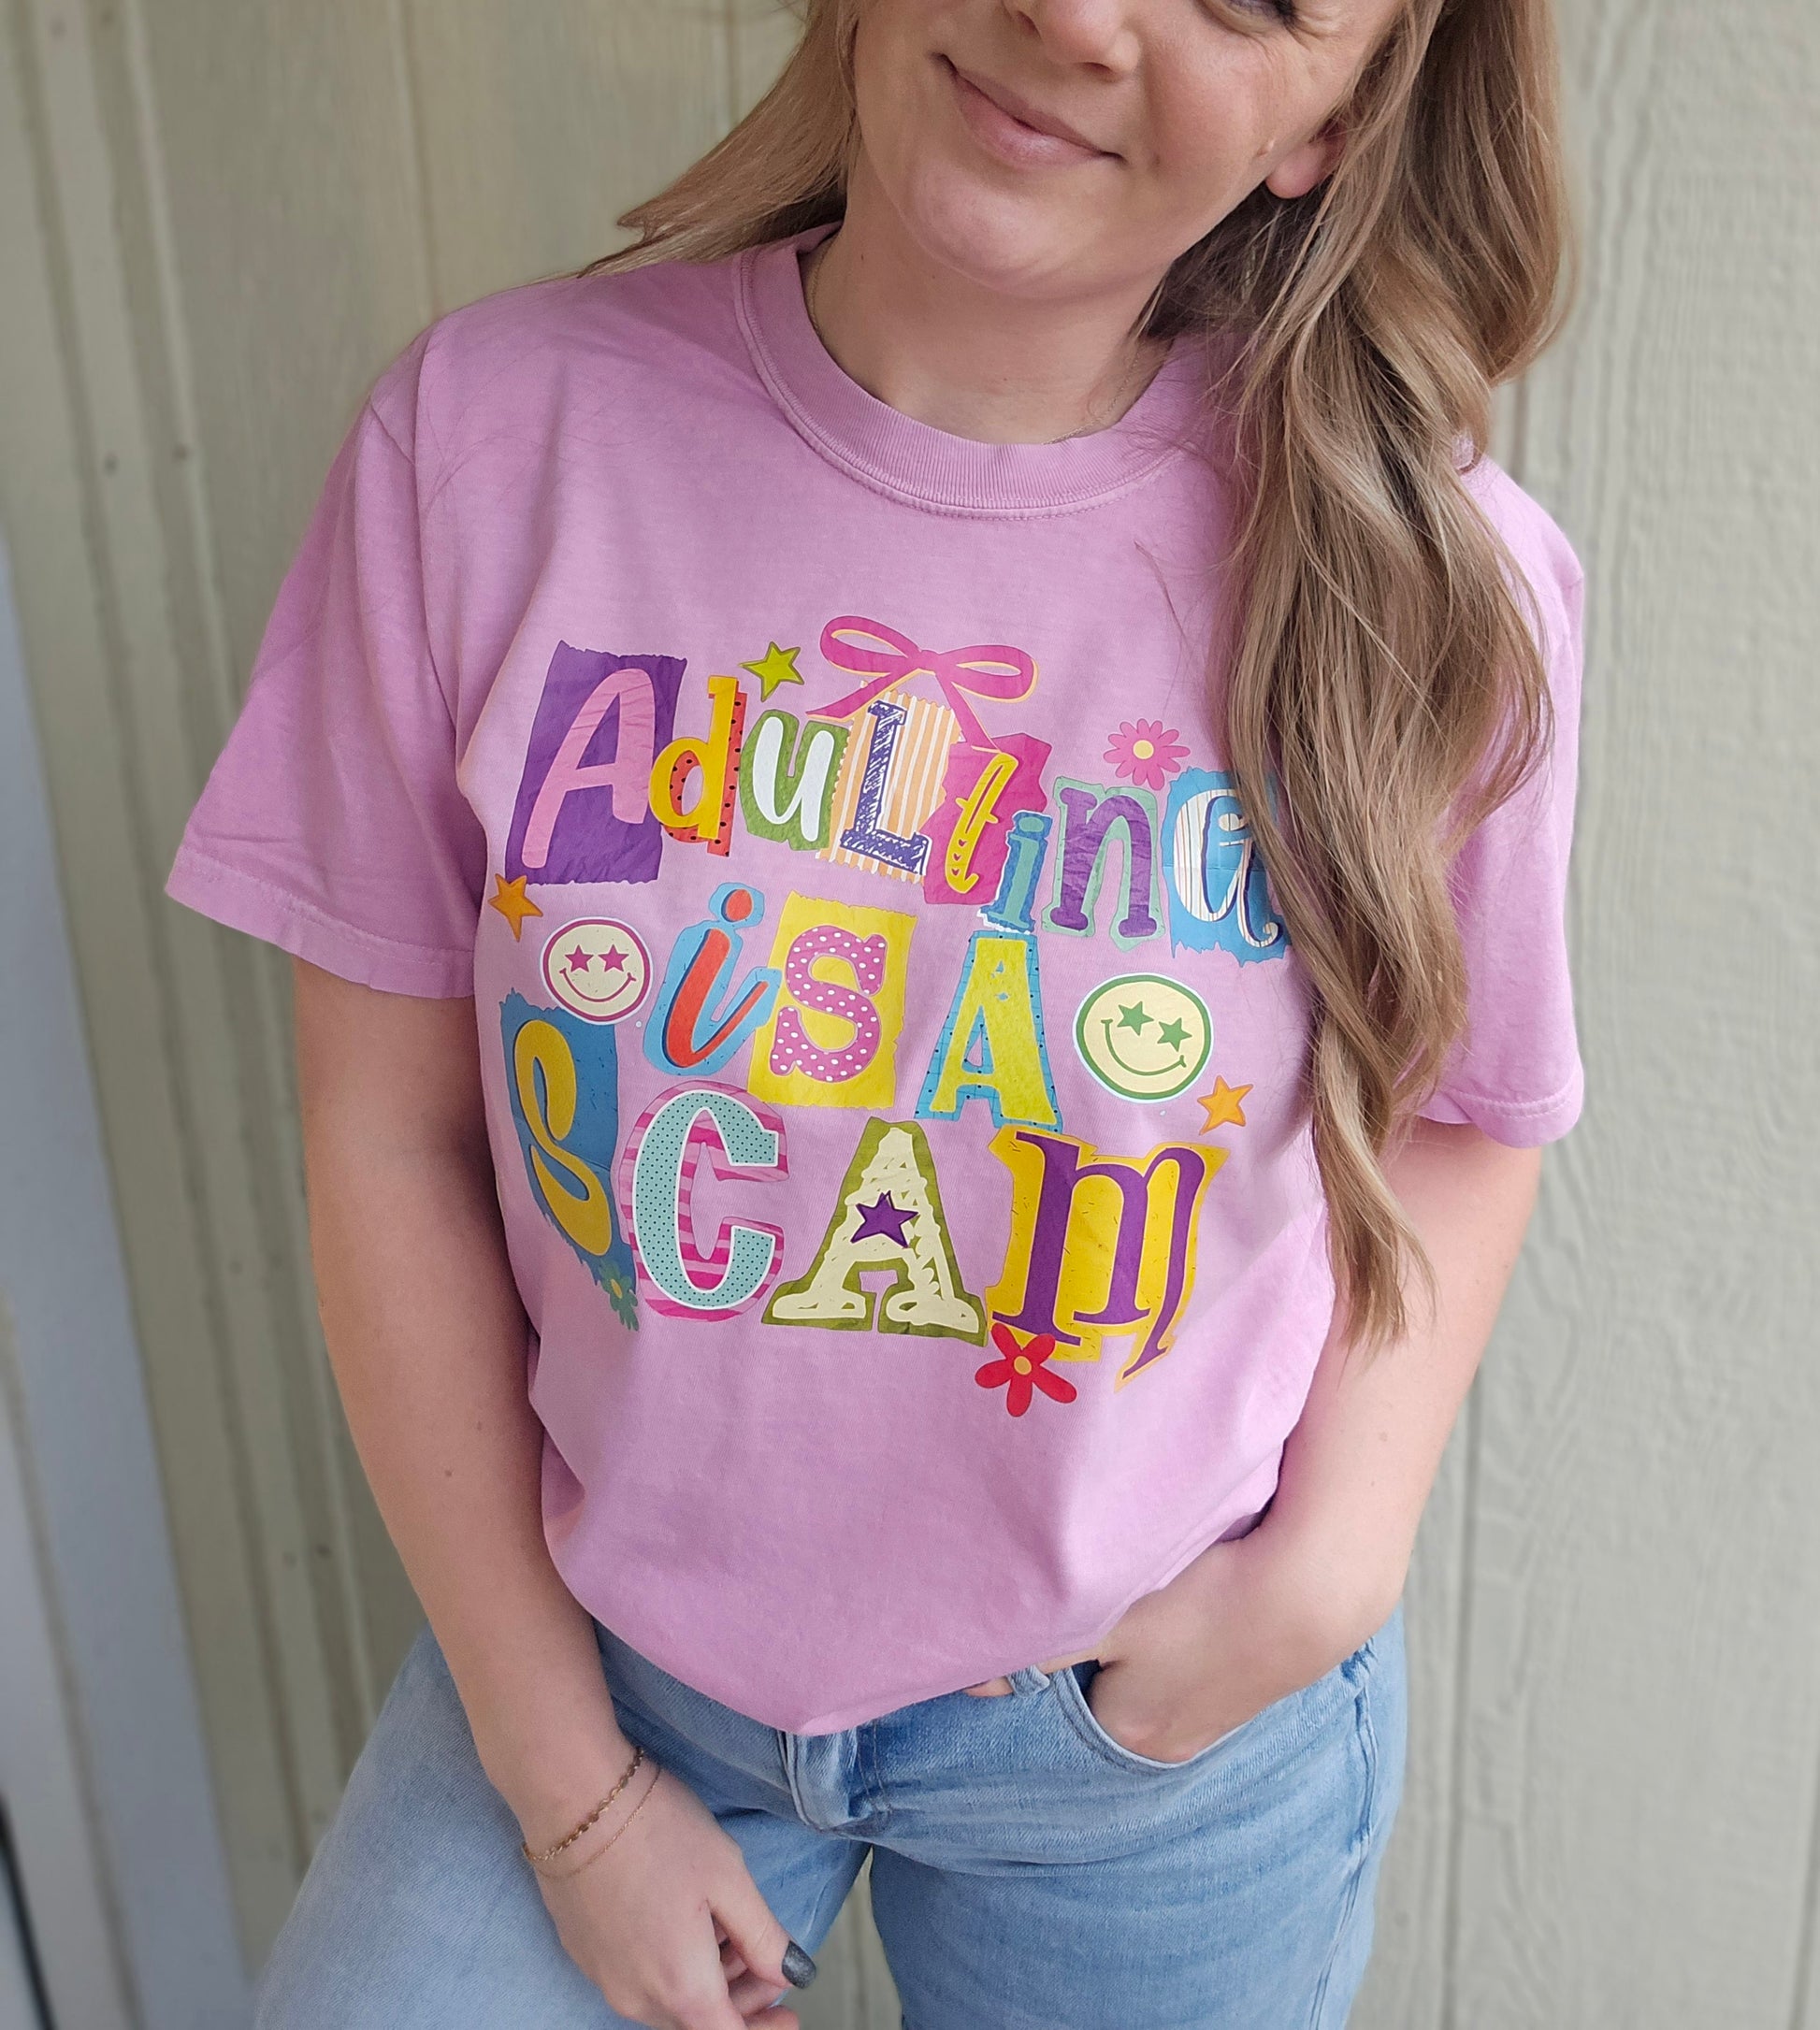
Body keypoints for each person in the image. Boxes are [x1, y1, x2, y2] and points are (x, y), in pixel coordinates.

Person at [166, 0, 1585, 2023]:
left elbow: (1464, 1109)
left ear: (1328, 126)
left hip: (1145, 1751)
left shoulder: (1419, 576)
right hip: (605, 1670)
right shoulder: (492, 443)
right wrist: (571, 1799)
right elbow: (388, 1129)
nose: (1076, 17)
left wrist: (1328, 1568)